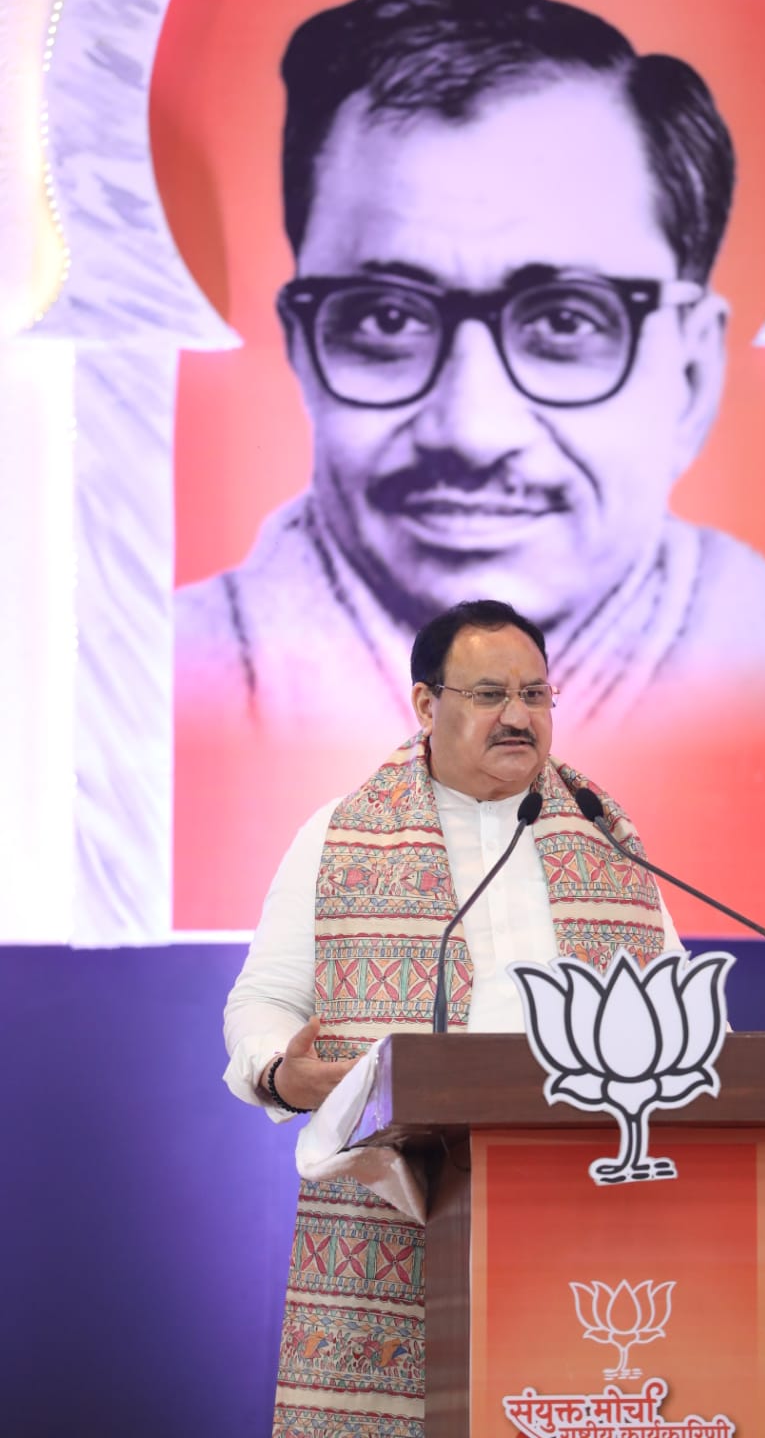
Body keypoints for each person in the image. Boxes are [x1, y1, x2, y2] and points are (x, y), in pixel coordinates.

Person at [177, 0, 765, 732]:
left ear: (693, 377)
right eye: (386, 318)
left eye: (567, 321)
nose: (471, 430)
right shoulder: (150, 690)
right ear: (303, 354)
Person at [224, 598, 684, 1437]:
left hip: (581, 1204)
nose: (518, 717)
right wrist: (279, 1072)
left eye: (537, 695)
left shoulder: (606, 837)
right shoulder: (338, 839)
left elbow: (672, 1016)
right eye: (488, 694)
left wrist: (745, 1142)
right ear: (428, 705)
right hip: (398, 1206)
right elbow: (265, 997)